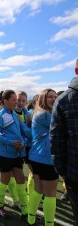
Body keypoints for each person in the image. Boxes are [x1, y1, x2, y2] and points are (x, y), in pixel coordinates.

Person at [0, 90, 31, 220]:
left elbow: (24, 130)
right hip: (4, 153)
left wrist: (36, 136)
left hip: (16, 153)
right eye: (13, 100)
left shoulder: (14, 114)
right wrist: (10, 142)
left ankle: (25, 212)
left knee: (21, 180)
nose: (16, 102)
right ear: (5, 101)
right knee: (5, 180)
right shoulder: (0, 115)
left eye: (16, 100)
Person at [51, 60, 78, 225]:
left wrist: (61, 170)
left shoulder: (63, 100)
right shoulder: (62, 100)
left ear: (75, 70)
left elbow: (56, 140)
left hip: (74, 171)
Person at [27, 89, 58, 225]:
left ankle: (31, 219)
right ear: (43, 98)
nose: (54, 99)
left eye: (55, 97)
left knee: (38, 190)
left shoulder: (39, 113)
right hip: (46, 159)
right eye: (50, 97)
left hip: (36, 157)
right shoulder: (45, 115)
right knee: (51, 195)